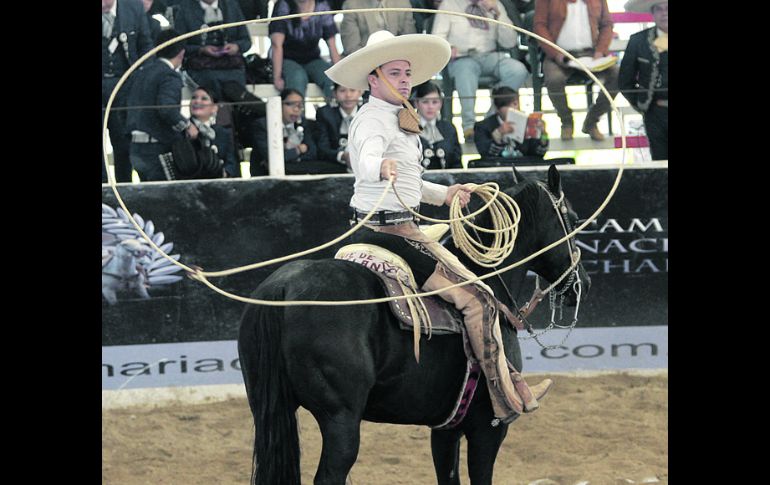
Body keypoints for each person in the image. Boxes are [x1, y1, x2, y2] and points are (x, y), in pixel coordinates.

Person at [325, 30, 552, 424]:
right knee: (477, 299)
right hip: (389, 233)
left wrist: (445, 195)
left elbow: (412, 183)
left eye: (407, 73)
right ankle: (503, 398)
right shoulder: (371, 119)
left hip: (396, 225)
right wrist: (378, 166)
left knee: (476, 289)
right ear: (373, 79)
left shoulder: (397, 117)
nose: (404, 80)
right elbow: (363, 159)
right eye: (394, 72)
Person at [430, 0, 528, 140]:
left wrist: (497, 14)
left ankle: (489, 120)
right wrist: (448, 48)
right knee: (466, 71)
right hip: (461, 58)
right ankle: (469, 126)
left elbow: (510, 42)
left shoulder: (495, 4)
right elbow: (437, 37)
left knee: (518, 70)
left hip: (489, 55)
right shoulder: (449, 4)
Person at [533, 0, 619, 141]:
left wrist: (600, 51)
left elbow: (607, 24)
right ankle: (566, 121)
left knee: (617, 75)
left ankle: (592, 121)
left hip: (591, 53)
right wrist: (555, 53)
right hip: (559, 54)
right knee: (554, 79)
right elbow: (539, 26)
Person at [126, 29, 199, 181]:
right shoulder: (169, 75)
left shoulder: (140, 72)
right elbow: (167, 110)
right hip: (156, 149)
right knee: (163, 199)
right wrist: (187, 125)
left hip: (135, 148)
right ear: (181, 53)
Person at [102, 0, 154, 183]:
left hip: (125, 85)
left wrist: (142, 79)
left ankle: (124, 187)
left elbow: (145, 44)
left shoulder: (133, 7)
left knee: (123, 141)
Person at [250, 89, 348, 175]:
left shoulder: (303, 122)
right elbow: (270, 158)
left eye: (300, 106)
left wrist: (290, 156)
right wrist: (298, 150)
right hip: (266, 173)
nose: (296, 109)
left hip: (296, 168)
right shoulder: (263, 125)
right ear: (279, 104)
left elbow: (312, 152)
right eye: (290, 104)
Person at [173, 0, 252, 101]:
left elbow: (246, 41)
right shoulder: (185, 8)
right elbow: (179, 45)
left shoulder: (231, 5)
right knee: (212, 82)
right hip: (201, 68)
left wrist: (236, 47)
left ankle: (236, 114)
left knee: (236, 86)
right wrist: (201, 50)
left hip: (231, 66)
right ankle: (218, 114)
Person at [619, 0, 667, 161]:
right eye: (659, 9)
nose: (664, 13)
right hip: (656, 112)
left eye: (668, 8)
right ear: (652, 13)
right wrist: (642, 104)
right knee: (660, 162)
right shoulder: (638, 41)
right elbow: (625, 81)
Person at [269, 0, 341, 100]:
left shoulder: (322, 6)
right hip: (286, 58)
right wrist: (277, 77)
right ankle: (298, 115)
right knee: (298, 78)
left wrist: (340, 77)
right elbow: (276, 45)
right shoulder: (283, 6)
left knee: (330, 78)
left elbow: (332, 45)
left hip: (312, 58)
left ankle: (336, 113)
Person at [472, 86, 548, 165]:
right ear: (497, 109)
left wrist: (544, 135)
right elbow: (485, 157)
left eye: (515, 104)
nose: (513, 108)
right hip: (498, 170)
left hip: (523, 168)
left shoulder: (528, 123)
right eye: (507, 105)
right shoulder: (483, 127)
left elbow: (539, 154)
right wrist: (498, 135)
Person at [189, 86, 240, 177]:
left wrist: (224, 173)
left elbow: (231, 162)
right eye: (194, 98)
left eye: (204, 99)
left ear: (214, 108)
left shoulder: (223, 133)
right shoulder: (183, 130)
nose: (197, 101)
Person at [412, 81, 462, 169]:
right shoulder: (409, 128)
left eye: (435, 102)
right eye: (425, 102)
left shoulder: (449, 129)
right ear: (416, 103)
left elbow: (457, 163)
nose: (430, 106)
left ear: (440, 104)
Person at [315, 83, 364, 170]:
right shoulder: (325, 113)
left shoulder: (367, 113)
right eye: (342, 90)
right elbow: (322, 149)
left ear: (361, 92)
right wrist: (342, 156)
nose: (348, 95)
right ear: (334, 93)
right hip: (335, 167)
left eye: (352, 90)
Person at [340, 0, 417, 55]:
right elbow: (351, 48)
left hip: (397, 60)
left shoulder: (403, 3)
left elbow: (409, 41)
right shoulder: (351, 5)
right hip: (365, 63)